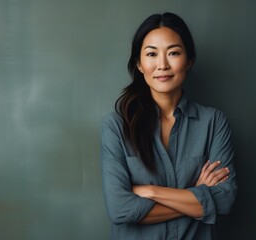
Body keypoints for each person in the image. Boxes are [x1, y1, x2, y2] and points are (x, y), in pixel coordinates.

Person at [100, 12, 237, 240]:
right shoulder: (115, 127)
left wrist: (151, 192)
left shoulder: (213, 122)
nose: (162, 65)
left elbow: (223, 200)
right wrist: (197, 197)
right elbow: (120, 209)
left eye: (173, 53)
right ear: (139, 64)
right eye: (151, 54)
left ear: (189, 60)